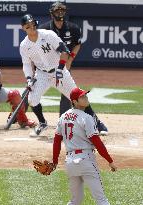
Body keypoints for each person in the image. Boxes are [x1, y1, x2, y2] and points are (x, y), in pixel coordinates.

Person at [20, 14, 107, 137]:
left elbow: (64, 50)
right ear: (23, 28)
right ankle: (43, 123)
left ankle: (98, 124)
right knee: (32, 100)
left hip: (59, 71)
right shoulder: (24, 45)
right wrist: (29, 79)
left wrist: (61, 68)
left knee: (78, 97)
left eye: (33, 24)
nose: (32, 27)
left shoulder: (48, 35)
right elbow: (27, 64)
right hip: (42, 75)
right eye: (28, 26)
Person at [39, 1, 108, 135]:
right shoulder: (44, 30)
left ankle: (95, 123)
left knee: (73, 95)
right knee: (31, 93)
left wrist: (70, 59)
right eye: (57, 10)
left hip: (63, 68)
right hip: (45, 71)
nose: (60, 13)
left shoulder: (73, 28)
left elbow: (77, 44)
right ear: (51, 12)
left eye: (62, 10)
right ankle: (19, 118)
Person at [51, 87, 117, 205]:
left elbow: (56, 141)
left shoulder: (63, 117)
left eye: (85, 95)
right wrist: (110, 160)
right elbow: (97, 142)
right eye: (82, 97)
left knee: (75, 200)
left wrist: (55, 161)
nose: (86, 98)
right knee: (101, 199)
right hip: (86, 160)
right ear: (74, 102)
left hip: (70, 162)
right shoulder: (87, 118)